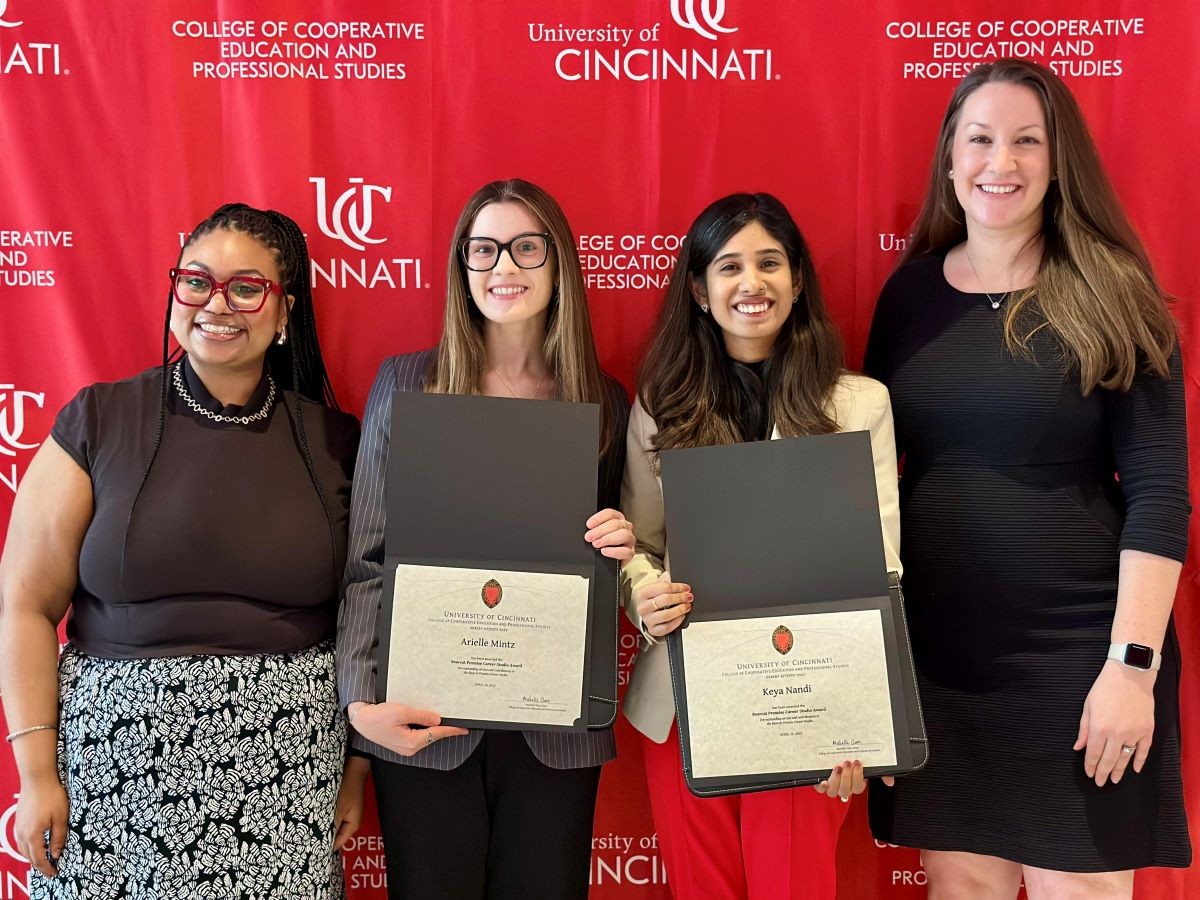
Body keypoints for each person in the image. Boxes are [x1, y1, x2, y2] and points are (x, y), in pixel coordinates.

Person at [864, 58, 1190, 899]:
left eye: (1026, 141)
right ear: (950, 157)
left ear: (1058, 160)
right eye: (979, 139)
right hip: (941, 663)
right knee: (959, 882)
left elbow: (1161, 496)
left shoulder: (1113, 293)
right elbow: (869, 487)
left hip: (1083, 659)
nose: (999, 162)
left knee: (1080, 887)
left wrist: (1132, 668)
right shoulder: (907, 298)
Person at [0, 204, 364, 897]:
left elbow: (368, 617)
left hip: (285, 786)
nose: (215, 304)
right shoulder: (98, 420)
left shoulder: (337, 441)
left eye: (246, 288)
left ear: (284, 313)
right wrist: (37, 774)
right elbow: (23, 605)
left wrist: (358, 766)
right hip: (110, 783)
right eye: (196, 281)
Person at [336, 178, 633, 899]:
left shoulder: (602, 401)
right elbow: (368, 560)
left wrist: (621, 545)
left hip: (556, 727)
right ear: (461, 267)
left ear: (558, 263)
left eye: (527, 248)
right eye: (484, 250)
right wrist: (360, 707)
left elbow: (624, 568)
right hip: (424, 721)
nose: (504, 266)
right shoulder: (407, 384)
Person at [620, 192, 902, 899]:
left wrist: (866, 715)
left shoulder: (859, 405)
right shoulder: (661, 403)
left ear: (798, 280)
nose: (752, 283)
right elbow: (640, 545)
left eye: (770, 263)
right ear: (699, 289)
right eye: (730, 266)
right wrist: (644, 597)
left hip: (810, 700)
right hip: (685, 696)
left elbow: (880, 568)